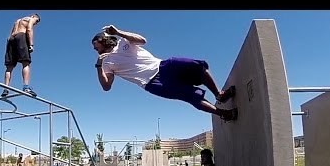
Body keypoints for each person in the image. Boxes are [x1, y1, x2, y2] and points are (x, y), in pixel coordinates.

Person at [92, 25, 238, 121]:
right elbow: (106, 86)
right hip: (153, 83)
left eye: (95, 46)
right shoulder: (105, 62)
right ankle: (223, 114)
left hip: (163, 65)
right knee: (190, 96)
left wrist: (117, 32)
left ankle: (219, 94)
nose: (95, 49)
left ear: (103, 41)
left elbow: (142, 40)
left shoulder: (123, 42)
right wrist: (99, 65)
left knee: (197, 66)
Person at [1, 13, 41, 98]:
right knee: (26, 63)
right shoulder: (30, 19)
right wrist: (31, 45)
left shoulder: (17, 21)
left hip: (11, 39)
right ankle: (26, 87)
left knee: (9, 66)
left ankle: (6, 88)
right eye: (36, 21)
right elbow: (29, 29)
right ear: (33, 16)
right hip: (21, 37)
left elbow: (10, 36)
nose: (36, 23)